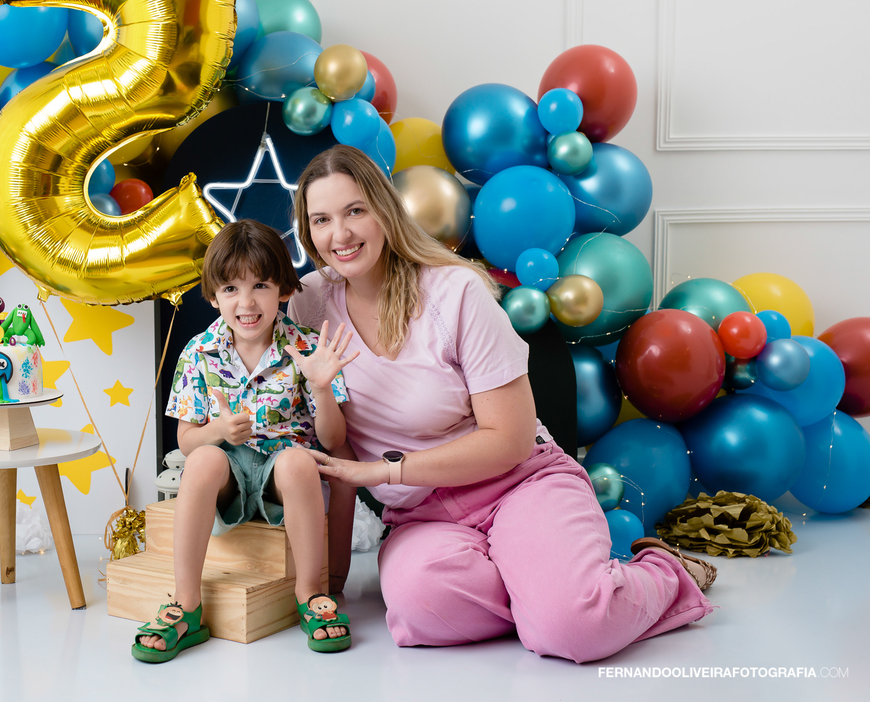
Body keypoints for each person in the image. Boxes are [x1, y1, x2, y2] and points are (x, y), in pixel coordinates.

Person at [286, 145, 717, 664]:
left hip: (518, 482)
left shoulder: (455, 292)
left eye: (355, 210)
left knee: (572, 631)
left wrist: (386, 471)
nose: (341, 234)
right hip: (424, 518)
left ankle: (661, 575)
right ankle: (551, 595)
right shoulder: (308, 303)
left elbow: (508, 440)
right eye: (322, 220)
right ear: (308, 233)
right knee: (417, 607)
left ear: (385, 211)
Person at [133, 219, 360, 662]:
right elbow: (185, 441)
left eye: (260, 285)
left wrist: (320, 388)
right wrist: (218, 432)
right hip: (228, 478)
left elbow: (334, 440)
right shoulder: (198, 352)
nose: (247, 302)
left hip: (284, 477)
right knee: (201, 461)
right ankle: (186, 603)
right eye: (231, 289)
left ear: (284, 290)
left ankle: (309, 593)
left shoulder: (308, 348)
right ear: (214, 296)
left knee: (297, 461)